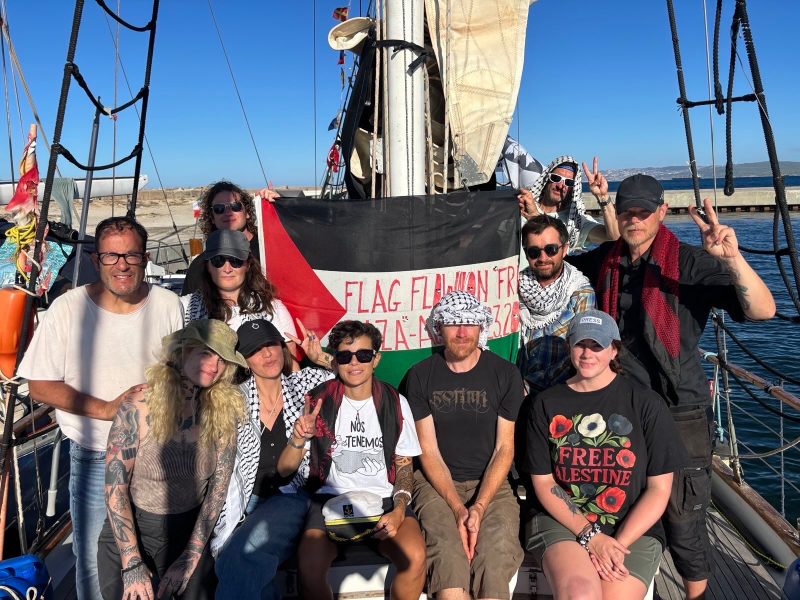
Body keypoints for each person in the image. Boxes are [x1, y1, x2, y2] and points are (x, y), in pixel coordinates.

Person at [567, 174, 776, 600]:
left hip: (679, 413)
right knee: (619, 501)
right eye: (627, 211)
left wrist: (732, 258)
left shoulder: (690, 263)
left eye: (644, 212)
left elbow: (763, 311)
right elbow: (553, 263)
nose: (635, 219)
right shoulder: (606, 260)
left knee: (683, 519)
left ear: (663, 211)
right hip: (622, 410)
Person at [16, 216, 184, 600]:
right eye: (111, 255)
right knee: (92, 555)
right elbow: (40, 385)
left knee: (155, 552)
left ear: (144, 257)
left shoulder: (169, 304)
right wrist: (107, 408)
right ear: (96, 260)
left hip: (157, 453)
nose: (121, 264)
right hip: (95, 453)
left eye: (131, 255)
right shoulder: (67, 309)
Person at [523, 309, 687, 600]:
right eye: (580, 344)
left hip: (631, 527)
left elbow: (659, 489)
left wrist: (614, 544)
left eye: (597, 345)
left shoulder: (646, 404)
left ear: (614, 350)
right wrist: (591, 536)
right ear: (569, 347)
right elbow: (545, 483)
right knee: (580, 594)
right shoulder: (545, 403)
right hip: (561, 521)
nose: (588, 353)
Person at [97, 319, 247, 600]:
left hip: (189, 532)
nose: (213, 366)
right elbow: (114, 486)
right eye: (205, 353)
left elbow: (217, 490)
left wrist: (190, 555)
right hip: (133, 531)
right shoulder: (139, 404)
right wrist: (131, 562)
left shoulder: (224, 410)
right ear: (184, 352)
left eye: (222, 360)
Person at [278, 320, 426, 600]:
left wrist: (398, 509)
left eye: (364, 355)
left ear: (376, 359)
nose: (354, 363)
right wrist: (298, 437)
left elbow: (405, 464)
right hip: (328, 500)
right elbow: (285, 470)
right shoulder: (317, 401)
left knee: (415, 557)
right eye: (345, 356)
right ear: (335, 362)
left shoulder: (395, 402)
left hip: (383, 501)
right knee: (309, 567)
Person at [405, 291, 524, 600]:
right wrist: (459, 509)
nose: (461, 332)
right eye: (452, 324)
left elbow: (504, 449)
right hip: (435, 484)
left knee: (495, 555)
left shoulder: (505, 374)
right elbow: (428, 451)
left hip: (493, 483)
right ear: (438, 329)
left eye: (469, 324)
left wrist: (479, 506)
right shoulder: (420, 376)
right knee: (446, 552)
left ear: (481, 327)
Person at [213, 318, 335, 600]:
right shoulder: (232, 399)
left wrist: (319, 358)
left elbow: (355, 375)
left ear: (283, 348)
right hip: (240, 501)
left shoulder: (305, 383)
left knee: (242, 558)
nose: (267, 354)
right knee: (244, 568)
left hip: (289, 497)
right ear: (244, 360)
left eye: (271, 344)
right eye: (256, 350)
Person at [180, 229, 298, 360]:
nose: (227, 269)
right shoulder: (184, 307)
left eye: (235, 260)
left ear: (248, 265)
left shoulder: (274, 308)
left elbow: (290, 366)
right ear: (208, 266)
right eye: (218, 260)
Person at [517, 214, 595, 395]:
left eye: (551, 249)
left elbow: (581, 352)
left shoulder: (580, 293)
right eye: (534, 252)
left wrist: (528, 386)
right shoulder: (511, 286)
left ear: (565, 249)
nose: (543, 258)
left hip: (560, 394)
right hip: (515, 395)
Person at [182, 181, 278, 295]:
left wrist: (281, 207)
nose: (228, 213)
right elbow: (190, 307)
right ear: (212, 217)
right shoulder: (200, 265)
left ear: (247, 212)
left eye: (235, 206)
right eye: (219, 208)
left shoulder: (273, 248)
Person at [517, 155, 619, 251]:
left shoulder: (577, 223)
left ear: (573, 189)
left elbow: (614, 238)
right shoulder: (524, 206)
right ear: (546, 179)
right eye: (556, 178)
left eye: (569, 182)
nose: (561, 185)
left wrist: (602, 196)